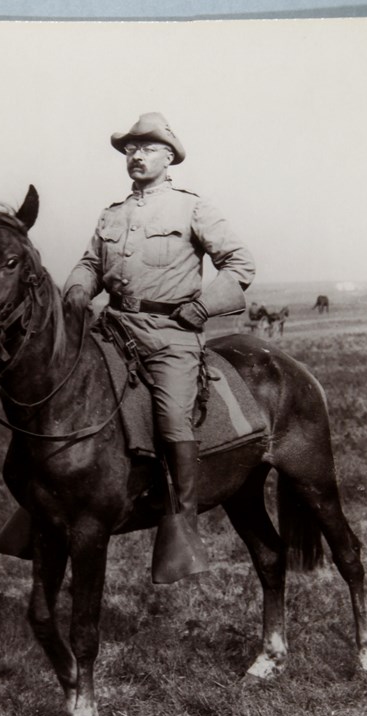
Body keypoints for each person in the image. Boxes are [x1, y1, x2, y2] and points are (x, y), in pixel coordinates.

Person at [63, 112, 256, 582]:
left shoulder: (191, 208)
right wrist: (76, 289)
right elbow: (91, 263)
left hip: (171, 332)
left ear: (168, 156)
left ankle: (182, 523)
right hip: (114, 327)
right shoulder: (112, 214)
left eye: (146, 147)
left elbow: (239, 263)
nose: (136, 155)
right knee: (67, 396)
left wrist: (205, 307)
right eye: (130, 148)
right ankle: (46, 506)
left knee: (171, 415)